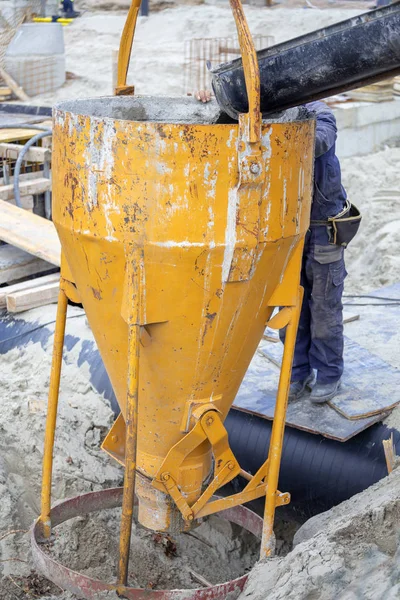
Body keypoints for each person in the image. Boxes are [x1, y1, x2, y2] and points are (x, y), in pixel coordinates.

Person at [195, 92, 349, 404]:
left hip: (322, 228)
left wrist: (270, 132)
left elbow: (319, 140)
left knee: (323, 305)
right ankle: (296, 371)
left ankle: (329, 372)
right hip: (287, 231)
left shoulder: (318, 113)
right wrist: (214, 103)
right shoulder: (266, 116)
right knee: (288, 304)